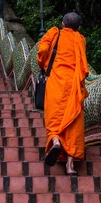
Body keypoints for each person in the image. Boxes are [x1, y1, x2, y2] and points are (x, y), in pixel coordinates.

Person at [37, 12, 89, 175]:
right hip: (73, 85)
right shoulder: (79, 39)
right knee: (72, 121)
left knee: (54, 118)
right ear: (78, 27)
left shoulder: (54, 33)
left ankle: (56, 141)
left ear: (62, 23)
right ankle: (70, 166)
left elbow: (42, 51)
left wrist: (44, 63)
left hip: (55, 82)